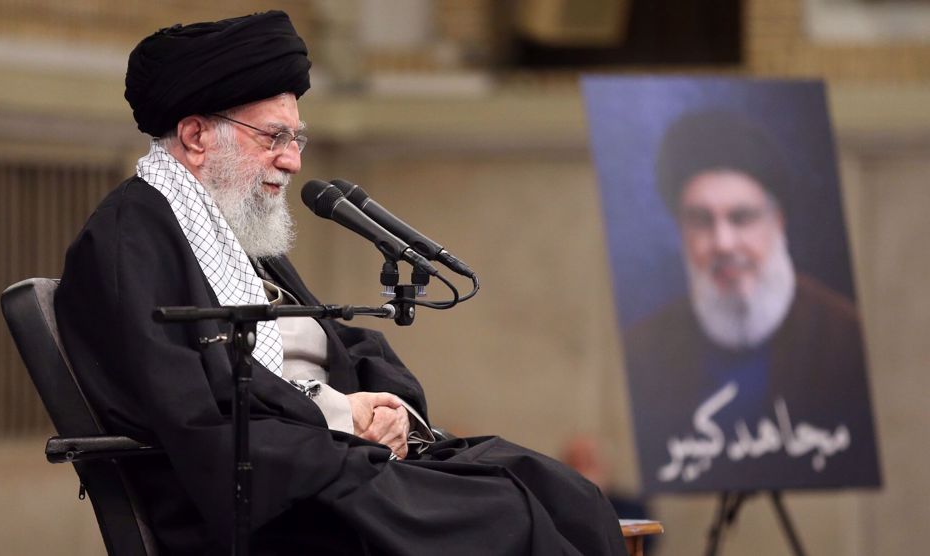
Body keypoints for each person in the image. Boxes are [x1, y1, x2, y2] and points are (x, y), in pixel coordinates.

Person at [54, 12, 626, 555]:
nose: (292, 161)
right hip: (267, 504)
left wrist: (392, 410)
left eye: (296, 139)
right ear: (197, 136)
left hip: (329, 463)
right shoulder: (132, 239)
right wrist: (336, 417)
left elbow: (339, 340)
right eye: (272, 138)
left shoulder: (229, 225)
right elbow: (195, 414)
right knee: (506, 516)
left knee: (562, 492)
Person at [623, 111, 880, 492]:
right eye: (701, 220)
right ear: (682, 231)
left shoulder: (843, 337)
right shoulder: (644, 348)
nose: (723, 243)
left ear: (777, 222)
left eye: (741, 218)